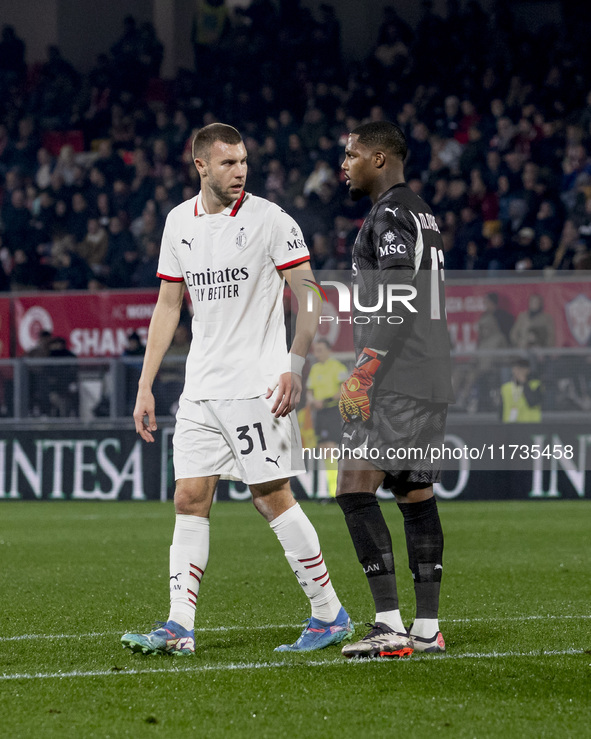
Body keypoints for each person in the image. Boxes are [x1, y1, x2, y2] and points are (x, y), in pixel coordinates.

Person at [121, 123, 352, 657]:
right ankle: (180, 628)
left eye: (244, 160)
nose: (240, 170)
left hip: (257, 385)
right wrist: (145, 385)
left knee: (271, 497)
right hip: (201, 387)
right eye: (228, 163)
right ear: (200, 165)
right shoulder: (179, 222)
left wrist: (295, 364)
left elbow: (310, 293)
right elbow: (168, 305)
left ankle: (329, 614)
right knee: (189, 497)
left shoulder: (270, 219)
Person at [335, 121, 454, 658]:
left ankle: (388, 624)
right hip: (432, 374)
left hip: (398, 378)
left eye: (352, 154)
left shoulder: (387, 215)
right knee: (414, 494)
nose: (345, 164)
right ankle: (426, 629)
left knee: (353, 489)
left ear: (379, 159)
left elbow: (400, 288)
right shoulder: (421, 211)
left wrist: (365, 368)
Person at [306, 339, 348, 497]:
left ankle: (337, 490)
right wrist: (312, 401)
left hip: (332, 410)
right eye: (316, 350)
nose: (317, 353)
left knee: (331, 447)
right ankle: (331, 489)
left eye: (320, 350)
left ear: (329, 351)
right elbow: (309, 391)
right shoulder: (315, 368)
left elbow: (343, 390)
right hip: (320, 413)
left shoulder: (338, 367)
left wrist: (324, 401)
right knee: (324, 450)